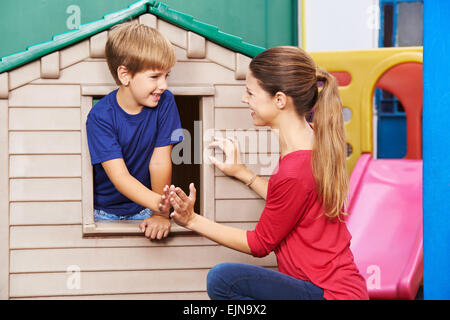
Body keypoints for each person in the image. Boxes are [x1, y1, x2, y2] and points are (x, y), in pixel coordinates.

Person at [163, 46, 369, 300]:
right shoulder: (315, 137)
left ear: (280, 100)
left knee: (222, 279)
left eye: (250, 92)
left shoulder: (295, 169)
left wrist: (193, 220)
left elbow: (259, 244)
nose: (243, 99)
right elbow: (293, 202)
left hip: (326, 293)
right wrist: (243, 173)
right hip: (337, 288)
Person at [86, 22, 182, 239]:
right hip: (104, 213)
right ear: (125, 75)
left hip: (145, 209)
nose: (164, 85)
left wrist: (160, 213)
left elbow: (159, 161)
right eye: (155, 76)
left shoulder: (165, 102)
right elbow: (119, 176)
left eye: (167, 75)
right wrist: (162, 204)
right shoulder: (100, 116)